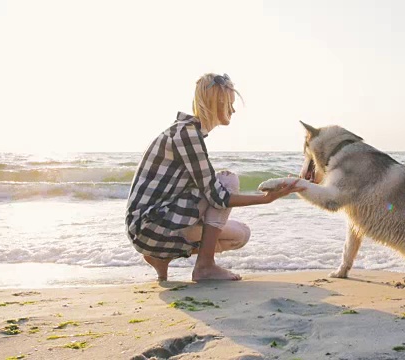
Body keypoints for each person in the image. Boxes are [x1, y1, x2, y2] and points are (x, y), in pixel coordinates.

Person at [125, 73, 301, 282]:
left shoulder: (188, 132)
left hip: (152, 226)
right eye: (230, 104)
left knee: (240, 235)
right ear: (218, 101)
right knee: (228, 180)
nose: (233, 110)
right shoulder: (186, 133)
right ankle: (205, 266)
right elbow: (217, 196)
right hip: (149, 225)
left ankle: (161, 258)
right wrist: (266, 198)